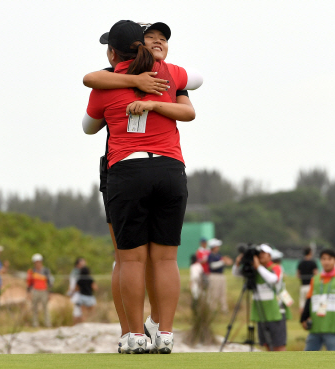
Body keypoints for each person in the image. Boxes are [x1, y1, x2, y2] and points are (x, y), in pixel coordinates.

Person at [83, 20, 196, 354]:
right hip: (170, 169)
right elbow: (193, 92)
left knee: (130, 261)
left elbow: (89, 127)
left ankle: (133, 335)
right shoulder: (171, 75)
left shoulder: (105, 84)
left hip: (127, 169)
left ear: (112, 52)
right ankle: (165, 334)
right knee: (165, 260)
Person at [232, 244, 288, 351]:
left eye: (264, 253)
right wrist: (238, 264)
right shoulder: (256, 270)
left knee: (278, 344)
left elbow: (273, 279)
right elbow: (236, 274)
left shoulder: (276, 267)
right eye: (259, 253)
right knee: (266, 344)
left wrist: (258, 267)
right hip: (261, 311)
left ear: (270, 256)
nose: (261, 255)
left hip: (275, 311)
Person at [300, 249, 335, 351]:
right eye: (323, 259)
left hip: (332, 328)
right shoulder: (315, 279)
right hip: (316, 327)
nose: (326, 262)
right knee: (308, 359)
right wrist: (304, 318)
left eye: (329, 259)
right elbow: (309, 299)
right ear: (320, 261)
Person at [27, 253, 53, 327]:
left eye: (39, 261)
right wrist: (28, 292)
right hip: (35, 291)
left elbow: (50, 282)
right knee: (34, 308)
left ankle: (48, 324)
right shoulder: (32, 271)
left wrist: (50, 293)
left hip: (44, 291)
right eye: (36, 262)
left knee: (45, 308)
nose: (38, 263)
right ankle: (35, 324)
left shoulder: (46, 271)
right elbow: (29, 283)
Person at [207, 238, 233, 313]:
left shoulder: (218, 255)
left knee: (222, 293)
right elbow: (212, 266)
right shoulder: (211, 255)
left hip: (221, 275)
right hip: (214, 276)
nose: (218, 248)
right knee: (214, 294)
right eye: (217, 246)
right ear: (213, 247)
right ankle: (213, 310)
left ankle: (224, 309)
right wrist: (223, 262)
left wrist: (225, 261)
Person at [297, 247, 318, 314]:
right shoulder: (313, 262)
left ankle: (302, 319)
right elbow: (316, 274)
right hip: (310, 286)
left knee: (302, 303)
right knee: (311, 303)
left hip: (303, 286)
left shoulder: (301, 262)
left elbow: (298, 275)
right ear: (310, 253)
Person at [67, 257, 85, 322]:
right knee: (76, 310)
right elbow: (74, 284)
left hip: (76, 292)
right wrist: (72, 292)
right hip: (76, 293)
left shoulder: (77, 272)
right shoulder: (76, 272)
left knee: (78, 310)